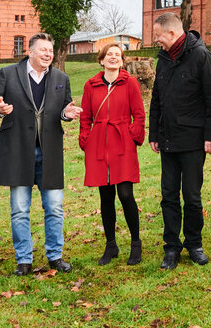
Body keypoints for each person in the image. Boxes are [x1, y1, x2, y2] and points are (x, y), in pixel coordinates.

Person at [0, 33, 82, 276]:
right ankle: (24, 260)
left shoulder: (61, 78)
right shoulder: (8, 74)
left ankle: (55, 256)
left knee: (55, 207)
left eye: (50, 50)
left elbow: (63, 110)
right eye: (43, 50)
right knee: (19, 209)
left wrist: (66, 114)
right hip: (18, 150)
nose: (48, 54)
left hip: (49, 152)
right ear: (30, 51)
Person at [149, 13, 211, 270]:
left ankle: (194, 244)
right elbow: (156, 98)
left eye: (158, 34)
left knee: (192, 196)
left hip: (193, 141)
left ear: (171, 33)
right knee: (168, 195)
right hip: (167, 141)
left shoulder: (202, 57)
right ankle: (171, 247)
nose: (155, 39)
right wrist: (154, 135)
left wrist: (210, 136)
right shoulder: (162, 60)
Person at [79, 43, 145, 266]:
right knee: (105, 196)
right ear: (101, 60)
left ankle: (136, 244)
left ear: (122, 60)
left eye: (117, 55)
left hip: (122, 142)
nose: (113, 58)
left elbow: (139, 113)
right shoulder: (91, 85)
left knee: (125, 193)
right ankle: (111, 245)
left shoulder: (130, 82)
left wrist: (133, 133)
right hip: (98, 144)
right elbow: (85, 116)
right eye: (109, 54)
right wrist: (86, 138)